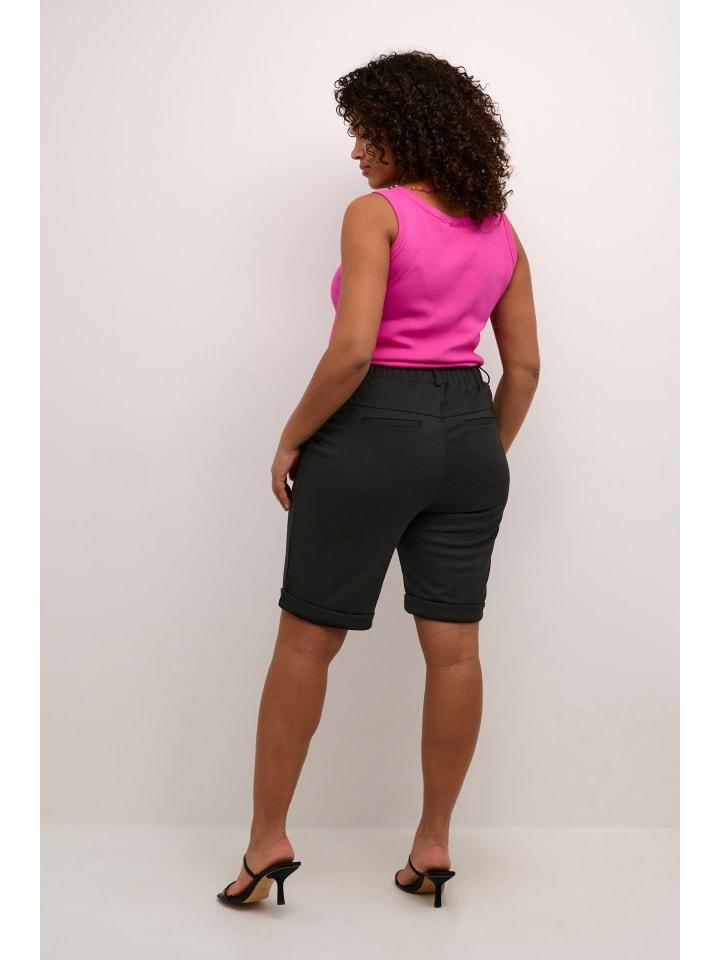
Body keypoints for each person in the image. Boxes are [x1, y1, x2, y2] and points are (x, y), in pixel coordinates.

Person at [217, 50, 539, 909]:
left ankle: (266, 843)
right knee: (457, 650)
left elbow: (354, 349)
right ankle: (432, 845)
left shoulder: (377, 215)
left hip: (371, 429)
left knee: (305, 641)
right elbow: (525, 368)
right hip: (470, 434)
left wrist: (291, 437)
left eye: (367, 131)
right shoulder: (500, 231)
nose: (356, 149)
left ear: (409, 129)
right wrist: (479, 453)